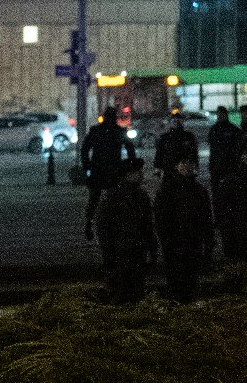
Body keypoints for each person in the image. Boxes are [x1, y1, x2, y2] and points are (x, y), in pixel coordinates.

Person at [155, 155, 214, 303]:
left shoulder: (198, 189)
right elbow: (161, 218)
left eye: (190, 163)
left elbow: (206, 216)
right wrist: (167, 239)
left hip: (194, 241)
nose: (187, 166)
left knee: (191, 278)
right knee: (176, 279)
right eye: (183, 163)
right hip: (175, 242)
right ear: (177, 166)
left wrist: (208, 240)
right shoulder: (167, 190)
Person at [95, 158, 155, 303]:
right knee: (122, 292)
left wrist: (151, 247)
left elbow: (147, 225)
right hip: (120, 253)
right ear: (127, 175)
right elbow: (104, 229)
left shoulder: (140, 196)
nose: (141, 175)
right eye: (137, 172)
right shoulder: (114, 197)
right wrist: (109, 254)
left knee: (136, 290)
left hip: (136, 251)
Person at [80, 107, 135, 239]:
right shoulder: (118, 131)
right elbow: (130, 148)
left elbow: (85, 149)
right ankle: (117, 222)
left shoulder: (96, 131)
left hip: (98, 169)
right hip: (114, 169)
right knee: (118, 196)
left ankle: (89, 222)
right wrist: (129, 165)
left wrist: (87, 165)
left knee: (94, 198)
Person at [153, 111, 199, 177]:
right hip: (169, 169)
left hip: (185, 169)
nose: (176, 122)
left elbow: (194, 152)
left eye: (178, 120)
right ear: (170, 122)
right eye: (173, 120)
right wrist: (157, 168)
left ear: (182, 122)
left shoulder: (188, 136)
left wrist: (195, 167)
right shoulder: (165, 137)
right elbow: (159, 153)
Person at [208, 106, 242, 192]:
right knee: (216, 189)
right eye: (219, 114)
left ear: (226, 115)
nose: (220, 116)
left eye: (222, 114)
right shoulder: (214, 129)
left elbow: (237, 147)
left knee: (230, 188)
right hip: (217, 164)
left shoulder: (233, 129)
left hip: (230, 164)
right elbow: (212, 147)